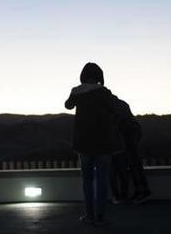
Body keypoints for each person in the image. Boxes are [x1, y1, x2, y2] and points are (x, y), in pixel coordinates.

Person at [64, 62, 123, 226]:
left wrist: (75, 93)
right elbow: (115, 112)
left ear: (83, 75)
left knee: (87, 181)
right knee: (102, 180)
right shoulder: (104, 93)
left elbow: (68, 105)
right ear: (99, 76)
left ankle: (89, 216)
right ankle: (100, 216)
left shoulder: (77, 92)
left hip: (83, 143)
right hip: (104, 143)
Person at [110, 98, 151, 204]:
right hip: (131, 130)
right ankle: (140, 190)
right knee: (133, 161)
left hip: (127, 131)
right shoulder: (119, 102)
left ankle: (143, 191)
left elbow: (116, 120)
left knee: (133, 162)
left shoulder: (110, 104)